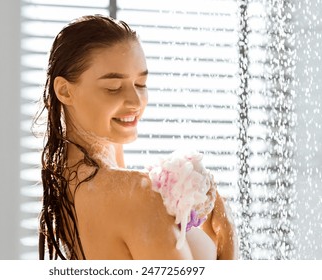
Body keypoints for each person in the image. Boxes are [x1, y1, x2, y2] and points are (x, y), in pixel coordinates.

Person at [35, 14, 238, 260]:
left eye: (141, 84)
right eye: (113, 87)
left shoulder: (68, 189)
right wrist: (226, 231)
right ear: (65, 91)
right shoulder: (136, 194)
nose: (136, 101)